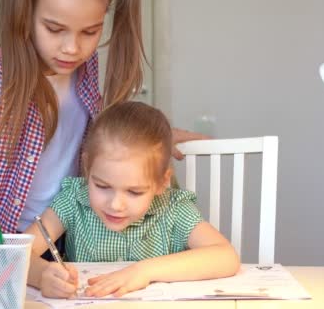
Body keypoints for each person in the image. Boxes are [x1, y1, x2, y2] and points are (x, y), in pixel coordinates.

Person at [0, 0, 206, 273]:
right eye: (54, 28)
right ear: (25, 12)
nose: (72, 47)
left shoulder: (83, 65)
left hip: (50, 248)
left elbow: (80, 133)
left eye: (90, 31)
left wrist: (147, 139)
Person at [25, 102, 240, 299]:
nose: (115, 205)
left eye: (135, 192)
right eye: (102, 186)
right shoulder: (73, 200)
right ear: (87, 166)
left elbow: (226, 256)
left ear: (161, 182)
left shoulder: (173, 208)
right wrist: (43, 275)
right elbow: (13, 254)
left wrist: (144, 271)